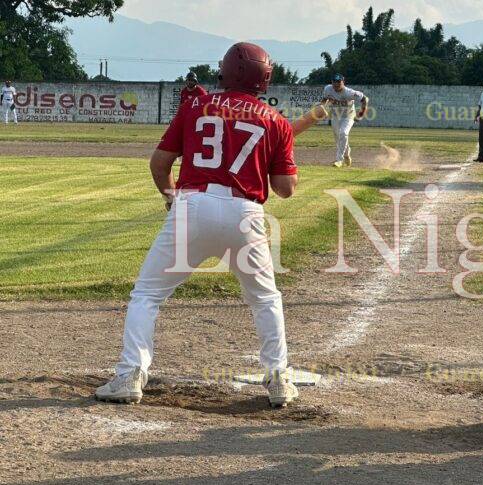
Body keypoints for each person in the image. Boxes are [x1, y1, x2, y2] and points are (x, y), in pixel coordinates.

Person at [95, 42, 300, 408]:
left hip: (192, 205)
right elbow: (283, 190)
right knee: (265, 299)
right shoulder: (277, 121)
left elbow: (159, 164)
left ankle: (129, 375)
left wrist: (171, 196)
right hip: (245, 213)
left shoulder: (194, 106)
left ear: (224, 71)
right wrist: (280, 162)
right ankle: (279, 377)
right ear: (264, 78)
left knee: (147, 294)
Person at [322, 74, 368, 168]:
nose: (336, 84)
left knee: (343, 133)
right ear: (332, 82)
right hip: (335, 116)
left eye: (339, 82)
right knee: (339, 138)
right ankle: (347, 154)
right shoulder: (328, 89)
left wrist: (362, 113)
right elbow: (324, 99)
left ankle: (339, 160)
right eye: (334, 82)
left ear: (343, 82)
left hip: (348, 116)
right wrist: (322, 109)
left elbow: (364, 99)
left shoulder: (349, 92)